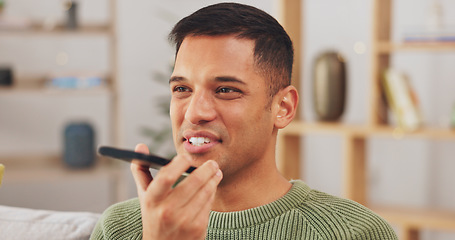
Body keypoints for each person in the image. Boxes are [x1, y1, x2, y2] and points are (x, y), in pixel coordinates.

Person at [90, 3, 397, 240]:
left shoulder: (355, 233)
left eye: (225, 90)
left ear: (283, 108)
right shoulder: (121, 228)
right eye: (182, 89)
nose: (195, 112)